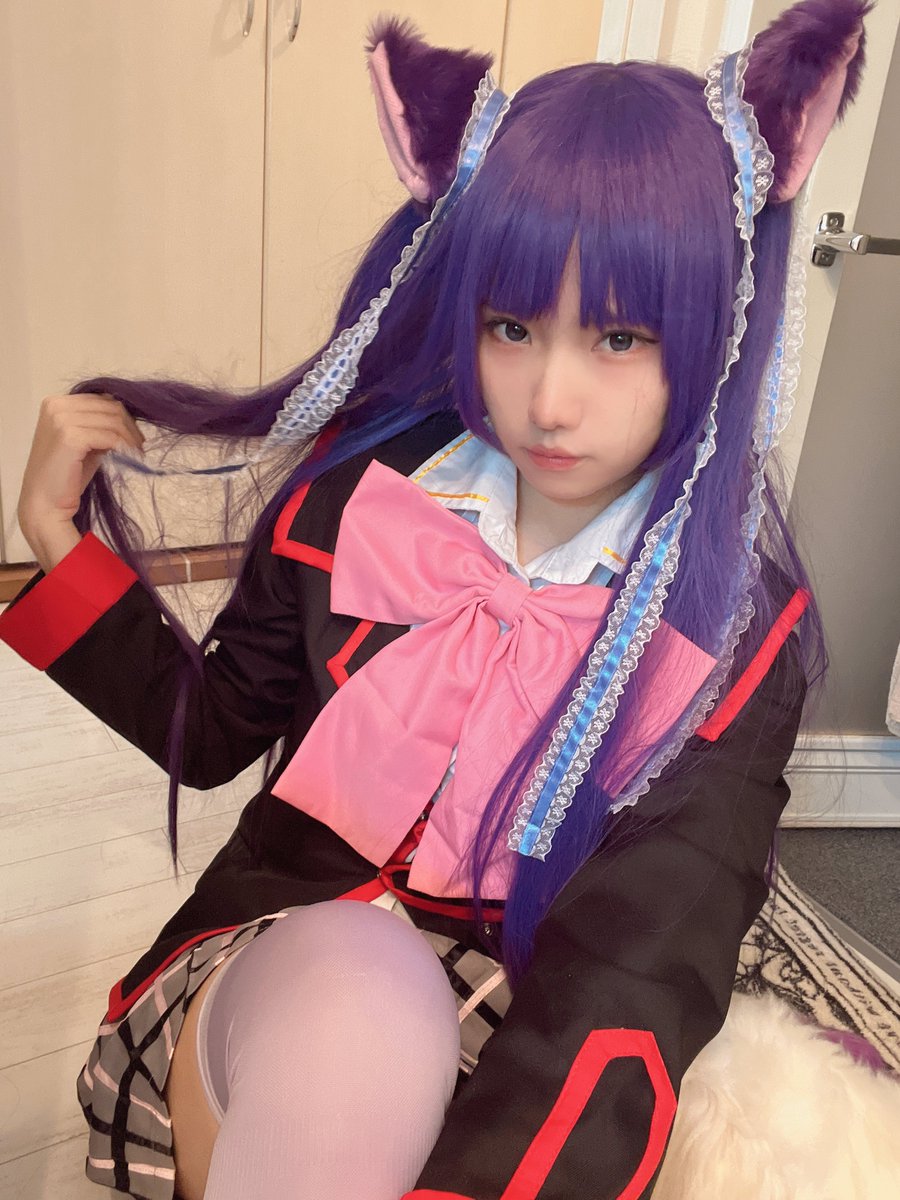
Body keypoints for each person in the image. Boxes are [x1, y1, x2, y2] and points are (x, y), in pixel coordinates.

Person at [0, 3, 873, 1198]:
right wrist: (57, 542)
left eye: (620, 336)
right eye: (512, 326)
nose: (549, 401)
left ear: (719, 322)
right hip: (284, 981)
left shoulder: (729, 634)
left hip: (527, 1051)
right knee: (364, 986)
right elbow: (211, 733)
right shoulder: (357, 503)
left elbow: (632, 974)